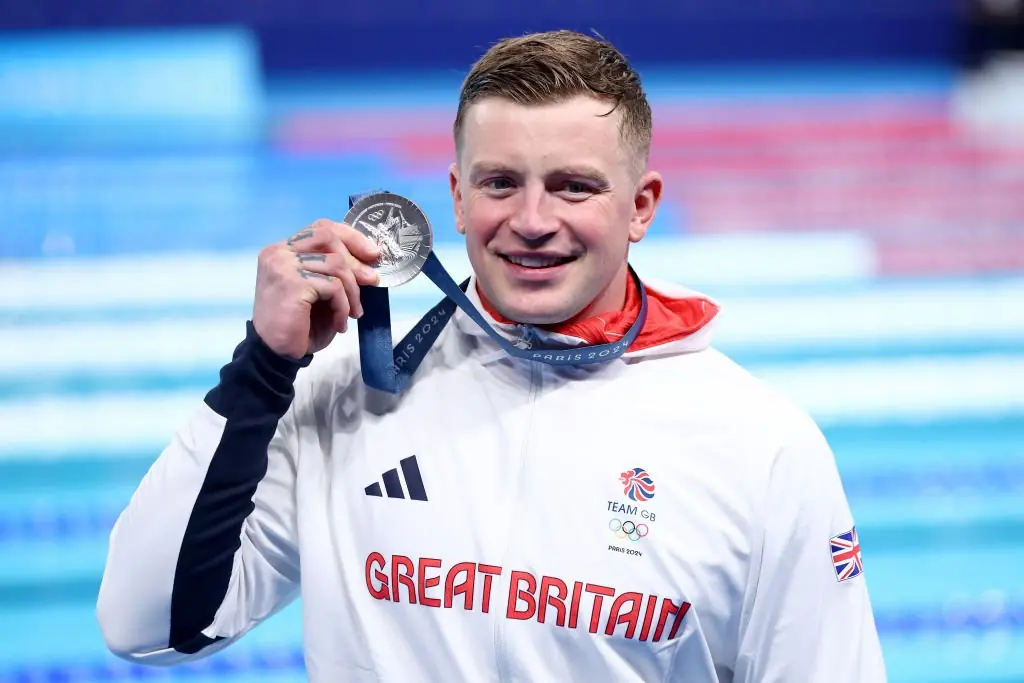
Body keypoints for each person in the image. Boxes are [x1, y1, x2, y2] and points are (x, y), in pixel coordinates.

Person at [96, 30, 887, 682]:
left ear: (641, 206)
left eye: (573, 186)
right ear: (457, 197)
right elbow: (147, 622)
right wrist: (263, 368)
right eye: (501, 182)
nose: (532, 220)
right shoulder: (346, 396)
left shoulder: (759, 445)